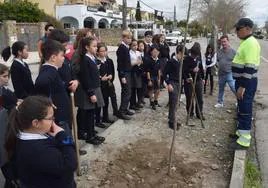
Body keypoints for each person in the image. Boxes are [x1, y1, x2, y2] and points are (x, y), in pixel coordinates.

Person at [5, 96, 77, 188]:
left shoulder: (21, 133)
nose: (53, 121)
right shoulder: (38, 150)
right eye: (50, 118)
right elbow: (71, 164)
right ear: (35, 123)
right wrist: (62, 134)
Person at [230, 18, 260, 149]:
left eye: (239, 29)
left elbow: (249, 67)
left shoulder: (251, 43)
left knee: (245, 110)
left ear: (248, 28)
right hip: (242, 81)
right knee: (241, 108)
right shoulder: (246, 42)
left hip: (246, 82)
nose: (237, 31)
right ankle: (239, 133)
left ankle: (244, 141)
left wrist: (242, 86)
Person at [75, 37, 105, 145]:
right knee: (89, 114)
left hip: (95, 87)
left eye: (96, 46)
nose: (96, 48)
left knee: (92, 113)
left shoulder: (92, 57)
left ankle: (92, 134)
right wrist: (91, 93)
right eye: (94, 46)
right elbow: (86, 78)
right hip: (89, 90)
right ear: (87, 47)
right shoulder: (85, 59)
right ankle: (90, 136)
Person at [0, 64, 20, 188]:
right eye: (4, 76)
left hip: (7, 127)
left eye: (8, 76)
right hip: (2, 128)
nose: (7, 79)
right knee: (4, 157)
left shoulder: (4, 90)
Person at [96, 43, 118, 124]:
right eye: (101, 51)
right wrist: (102, 78)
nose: (104, 53)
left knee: (106, 101)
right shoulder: (96, 62)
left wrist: (111, 76)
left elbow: (112, 71)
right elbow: (95, 75)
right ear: (97, 52)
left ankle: (106, 117)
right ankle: (98, 120)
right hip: (100, 85)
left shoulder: (109, 61)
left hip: (108, 84)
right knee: (99, 103)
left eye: (105, 51)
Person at [163, 45, 184, 130]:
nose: (183, 57)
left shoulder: (180, 62)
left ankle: (173, 118)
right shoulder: (171, 62)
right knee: (173, 101)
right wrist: (168, 84)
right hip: (172, 83)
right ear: (178, 53)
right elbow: (164, 74)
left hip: (179, 83)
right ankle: (171, 121)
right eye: (182, 54)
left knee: (176, 102)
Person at [183, 43, 205, 120]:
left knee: (199, 98)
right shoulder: (186, 59)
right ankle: (190, 113)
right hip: (189, 81)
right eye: (194, 55)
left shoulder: (199, 57)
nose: (195, 56)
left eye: (197, 55)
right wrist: (192, 70)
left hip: (198, 80)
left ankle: (199, 113)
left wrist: (203, 78)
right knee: (189, 98)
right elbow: (184, 71)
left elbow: (201, 68)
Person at [214, 35, 236, 108]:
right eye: (222, 42)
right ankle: (220, 102)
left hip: (229, 73)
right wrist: (217, 66)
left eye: (224, 41)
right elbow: (216, 61)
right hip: (221, 74)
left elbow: (237, 63)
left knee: (233, 87)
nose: (223, 43)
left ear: (228, 41)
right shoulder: (219, 52)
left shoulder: (233, 52)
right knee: (221, 88)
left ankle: (240, 101)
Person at [116, 30, 133, 120]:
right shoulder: (122, 48)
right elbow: (120, 63)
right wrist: (122, 76)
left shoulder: (126, 47)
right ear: (123, 38)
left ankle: (124, 109)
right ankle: (122, 111)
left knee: (126, 91)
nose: (130, 40)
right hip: (124, 73)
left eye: (130, 38)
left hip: (127, 72)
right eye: (128, 38)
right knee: (127, 91)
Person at [145, 45, 162, 110]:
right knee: (151, 90)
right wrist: (149, 80)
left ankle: (155, 101)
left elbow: (159, 70)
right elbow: (148, 71)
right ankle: (151, 102)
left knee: (157, 90)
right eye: (154, 52)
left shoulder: (158, 60)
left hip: (156, 77)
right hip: (151, 77)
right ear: (151, 52)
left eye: (157, 52)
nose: (156, 53)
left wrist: (159, 79)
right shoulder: (149, 60)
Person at [129, 39, 143, 111]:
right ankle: (132, 104)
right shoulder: (129, 53)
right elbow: (129, 63)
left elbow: (141, 60)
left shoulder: (138, 52)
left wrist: (140, 62)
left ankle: (139, 102)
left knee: (139, 88)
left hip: (138, 71)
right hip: (133, 71)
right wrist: (136, 62)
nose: (135, 47)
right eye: (133, 45)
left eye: (136, 45)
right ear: (130, 46)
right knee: (133, 88)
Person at [137, 40, 148, 105]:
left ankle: (142, 99)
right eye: (140, 46)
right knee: (140, 87)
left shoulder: (146, 53)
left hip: (145, 71)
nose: (141, 47)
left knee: (144, 87)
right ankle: (139, 100)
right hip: (140, 72)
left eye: (142, 45)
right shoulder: (137, 53)